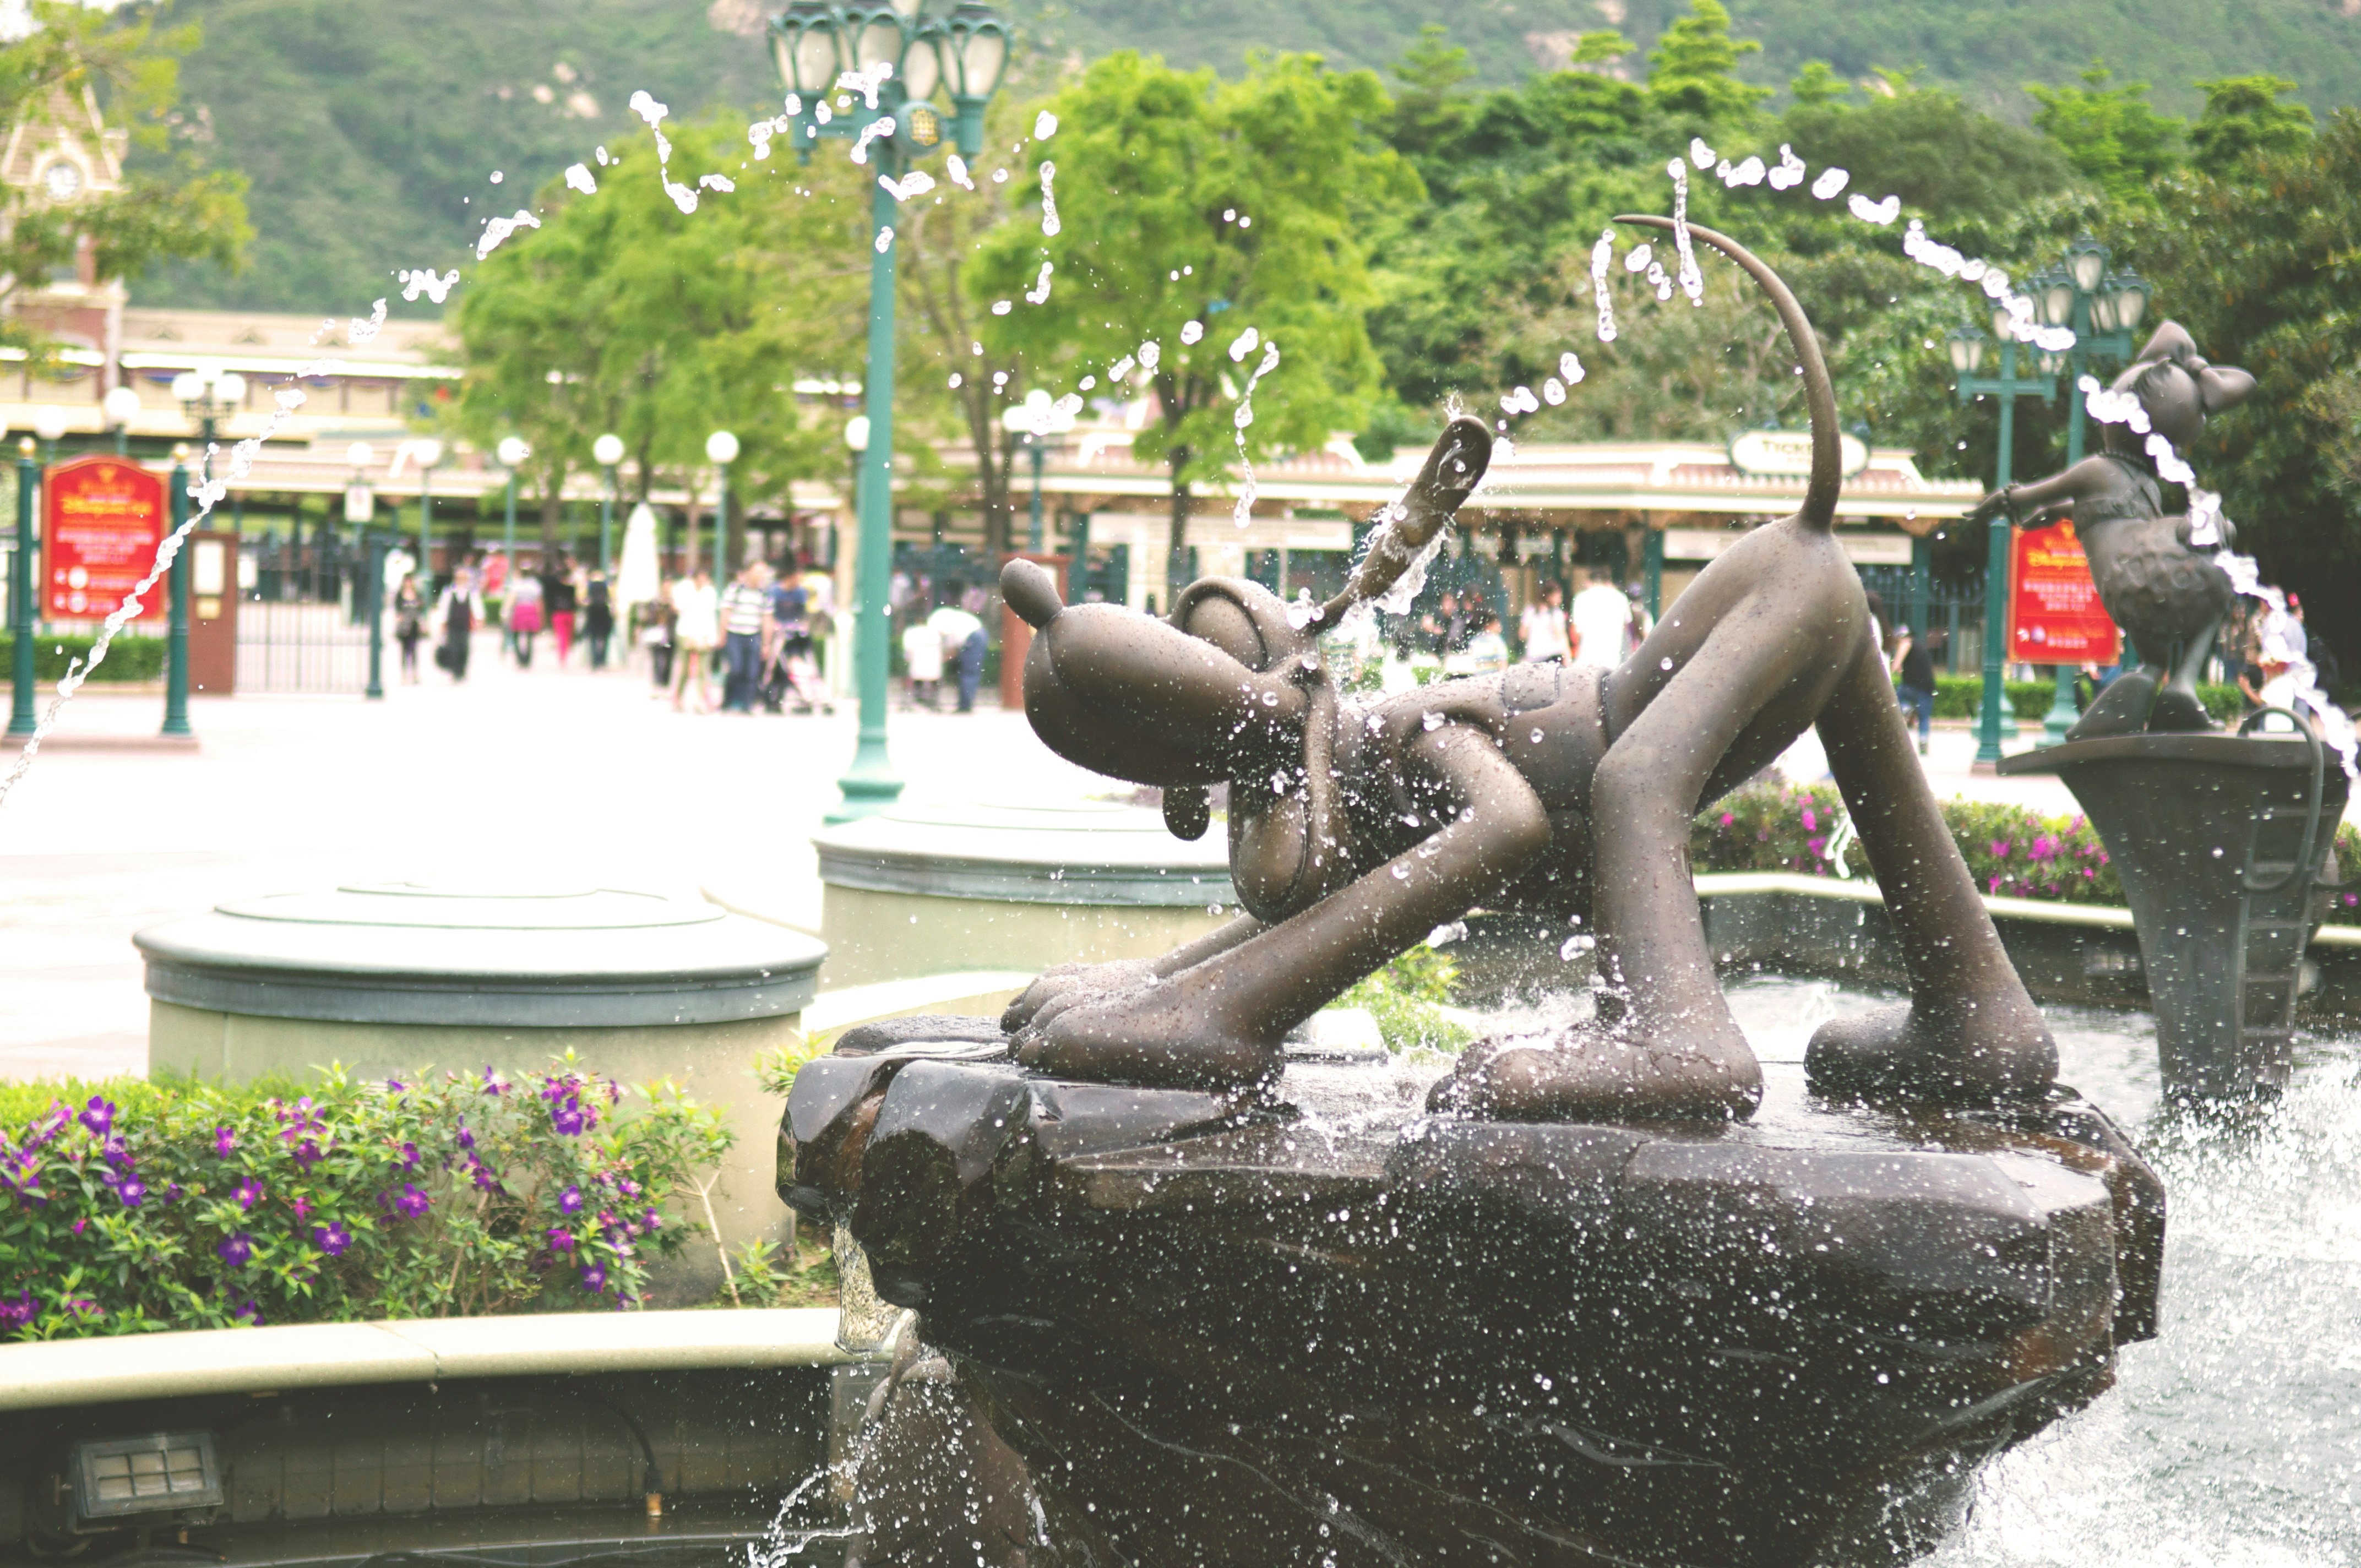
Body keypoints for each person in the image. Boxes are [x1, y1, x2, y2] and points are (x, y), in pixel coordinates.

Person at [718, 562, 770, 712]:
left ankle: (747, 704)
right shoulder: (735, 590)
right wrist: (722, 636)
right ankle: (729, 701)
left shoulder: (764, 594)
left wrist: (766, 643)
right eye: (757, 572)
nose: (760, 576)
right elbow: (725, 613)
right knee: (736, 668)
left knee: (752, 671)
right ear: (748, 573)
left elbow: (767, 618)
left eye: (763, 573)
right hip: (735, 634)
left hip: (753, 634)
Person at [927, 582, 987, 714]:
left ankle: (965, 707)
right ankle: (964, 704)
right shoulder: (940, 616)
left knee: (968, 672)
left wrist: (943, 658)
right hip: (976, 633)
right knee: (967, 672)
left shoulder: (936, 624)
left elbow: (950, 645)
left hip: (973, 636)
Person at [671, 566, 720, 712]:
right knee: (684, 669)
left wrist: (711, 637)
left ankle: (700, 701)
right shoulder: (685, 589)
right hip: (686, 631)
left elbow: (710, 615)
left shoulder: (710, 593)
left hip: (704, 633)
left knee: (703, 670)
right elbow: (679, 607)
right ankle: (678, 699)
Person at [1890, 623, 1943, 755]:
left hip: (1911, 686)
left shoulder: (1907, 643)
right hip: (1928, 688)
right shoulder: (1921, 648)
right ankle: (1923, 743)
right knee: (1924, 718)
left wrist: (1894, 666)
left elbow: (1904, 647)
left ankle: (1906, 709)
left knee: (1895, 699)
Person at [1569, 570, 1630, 669]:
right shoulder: (1620, 597)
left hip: (1586, 659)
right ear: (1607, 582)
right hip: (1613, 660)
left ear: (1588, 582)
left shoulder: (1581, 598)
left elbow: (1576, 632)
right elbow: (1626, 628)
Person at [432, 566, 481, 683]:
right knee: (453, 648)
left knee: (464, 648)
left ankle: (462, 669)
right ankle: (455, 672)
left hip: (465, 625)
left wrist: (479, 619)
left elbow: (476, 606)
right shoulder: (449, 592)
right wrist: (442, 623)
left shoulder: (471, 592)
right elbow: (444, 607)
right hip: (452, 625)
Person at [902, 605, 945, 709]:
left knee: (917, 678)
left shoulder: (911, 632)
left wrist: (907, 658)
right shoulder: (935, 633)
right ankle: (934, 700)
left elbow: (908, 649)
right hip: (934, 667)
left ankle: (917, 699)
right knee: (934, 680)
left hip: (918, 665)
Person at [1519, 580, 1569, 663]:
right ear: (1549, 597)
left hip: (1534, 655)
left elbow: (1522, 635)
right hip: (1552, 656)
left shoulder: (1530, 611)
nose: (1560, 600)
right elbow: (1561, 637)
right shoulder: (1556, 613)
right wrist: (1567, 658)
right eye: (1558, 597)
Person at [391, 573, 426, 684]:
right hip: (404, 625)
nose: (408, 583)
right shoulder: (400, 595)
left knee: (414, 649)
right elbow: (397, 609)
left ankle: (415, 673)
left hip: (414, 624)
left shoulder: (417, 594)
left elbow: (422, 608)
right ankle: (404, 674)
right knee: (404, 649)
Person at [545, 556, 579, 666]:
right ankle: (565, 656)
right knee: (567, 636)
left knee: (561, 636)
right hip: (569, 613)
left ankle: (562, 657)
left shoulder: (555, 587)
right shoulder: (571, 588)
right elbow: (575, 601)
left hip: (558, 614)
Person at [508, 570, 543, 668]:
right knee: (530, 638)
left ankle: (520, 658)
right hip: (531, 609)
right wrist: (540, 615)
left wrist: (507, 612)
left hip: (519, 609)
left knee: (516, 636)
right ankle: (527, 660)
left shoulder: (516, 585)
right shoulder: (535, 585)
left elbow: (512, 599)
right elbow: (538, 601)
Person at [584, 569, 614, 669]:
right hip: (604, 612)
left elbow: (585, 599)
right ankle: (602, 660)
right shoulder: (606, 585)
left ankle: (594, 661)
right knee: (604, 639)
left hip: (593, 612)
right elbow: (611, 599)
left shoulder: (590, 586)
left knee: (593, 638)